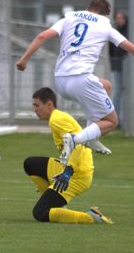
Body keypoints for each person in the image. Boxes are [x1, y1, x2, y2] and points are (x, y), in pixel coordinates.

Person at [16, 0, 134, 160]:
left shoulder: (70, 17)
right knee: (111, 121)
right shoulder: (104, 25)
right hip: (81, 80)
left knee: (106, 86)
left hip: (61, 81)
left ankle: (92, 137)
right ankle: (75, 139)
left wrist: (24, 60)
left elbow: (42, 36)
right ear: (106, 15)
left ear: (89, 8)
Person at [24, 87, 113, 224]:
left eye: (37, 106)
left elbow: (78, 143)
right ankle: (56, 203)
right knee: (30, 164)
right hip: (69, 167)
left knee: (39, 213)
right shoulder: (57, 117)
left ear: (49, 104)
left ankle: (91, 217)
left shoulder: (56, 120)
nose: (35, 110)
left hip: (77, 174)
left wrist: (67, 172)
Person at [109, 10, 134, 127]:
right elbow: (110, 50)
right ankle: (117, 120)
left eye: (121, 18)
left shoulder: (133, 31)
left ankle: (128, 121)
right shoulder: (114, 31)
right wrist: (113, 64)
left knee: (128, 93)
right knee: (118, 92)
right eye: (117, 18)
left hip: (131, 68)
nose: (119, 20)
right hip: (118, 67)